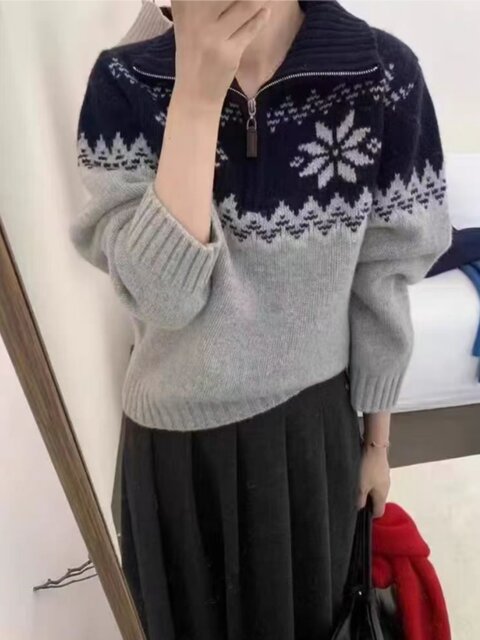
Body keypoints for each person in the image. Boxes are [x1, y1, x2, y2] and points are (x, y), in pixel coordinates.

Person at [69, 1, 452, 638]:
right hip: (171, 453)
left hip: (309, 441)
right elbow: (163, 298)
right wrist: (196, 96)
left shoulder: (381, 74)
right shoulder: (125, 82)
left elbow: (382, 278)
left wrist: (377, 445)